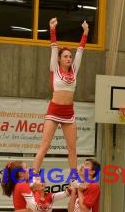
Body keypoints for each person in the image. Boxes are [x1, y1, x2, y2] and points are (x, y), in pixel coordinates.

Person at [32, 18, 88, 175]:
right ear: (59, 59)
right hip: (54, 110)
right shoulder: (54, 68)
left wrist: (85, 33)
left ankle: (73, 177)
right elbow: (54, 47)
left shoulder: (74, 70)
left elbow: (81, 51)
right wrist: (52, 30)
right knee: (45, 145)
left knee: (72, 148)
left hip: (68, 112)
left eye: (70, 57)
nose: (69, 59)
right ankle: (34, 175)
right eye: (65, 56)